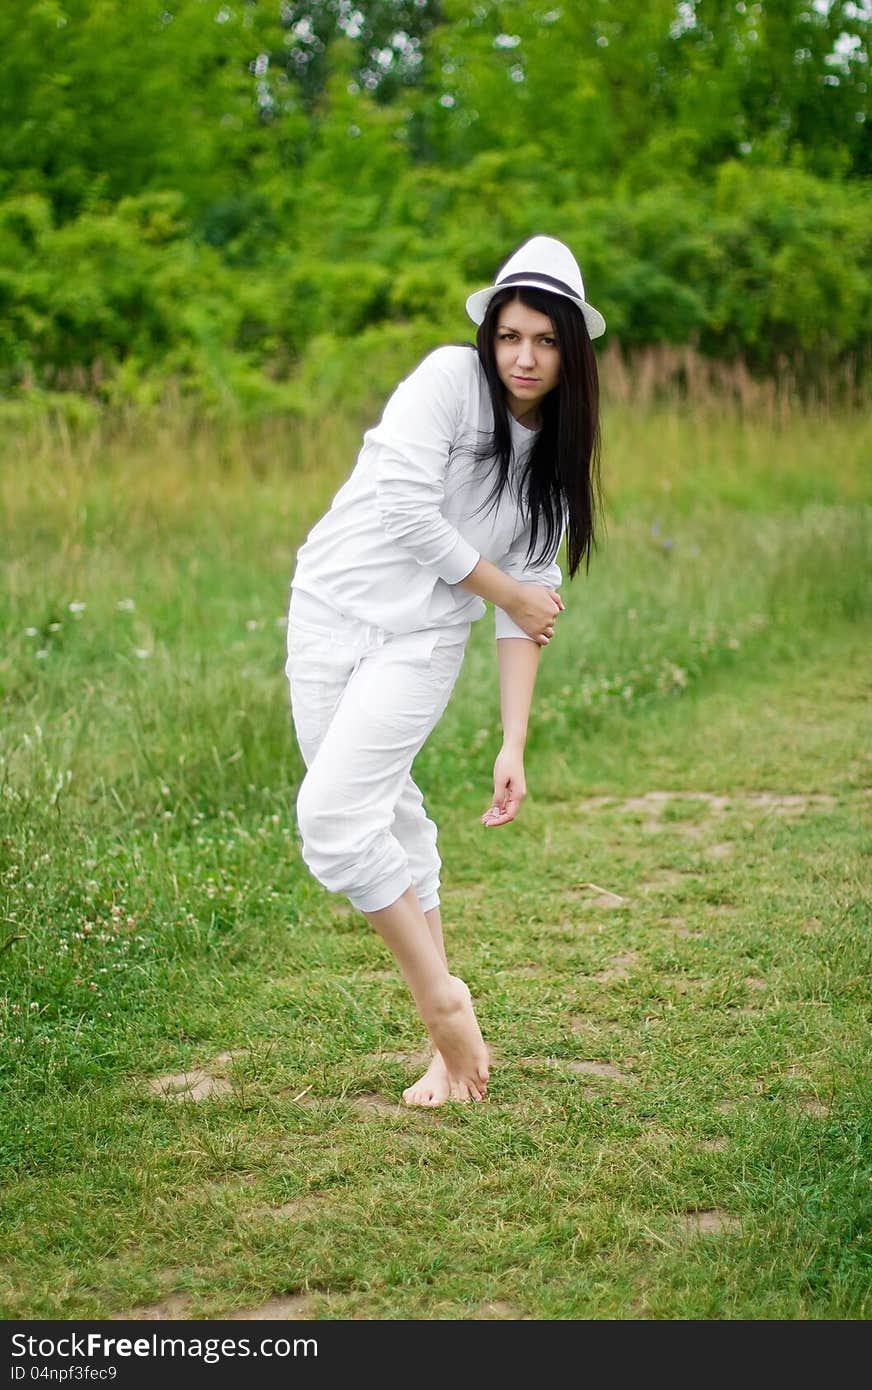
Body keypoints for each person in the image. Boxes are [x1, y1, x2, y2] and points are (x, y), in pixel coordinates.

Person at [285, 235, 604, 1106]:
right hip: (325, 610)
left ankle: (444, 1008)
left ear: (571, 347)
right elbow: (406, 513)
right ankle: (446, 1044)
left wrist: (514, 740)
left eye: (544, 339)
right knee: (381, 811)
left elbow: (526, 610)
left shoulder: (556, 463)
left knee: (332, 818)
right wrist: (512, 592)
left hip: (419, 642)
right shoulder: (445, 383)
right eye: (509, 335)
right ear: (489, 336)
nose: (524, 357)